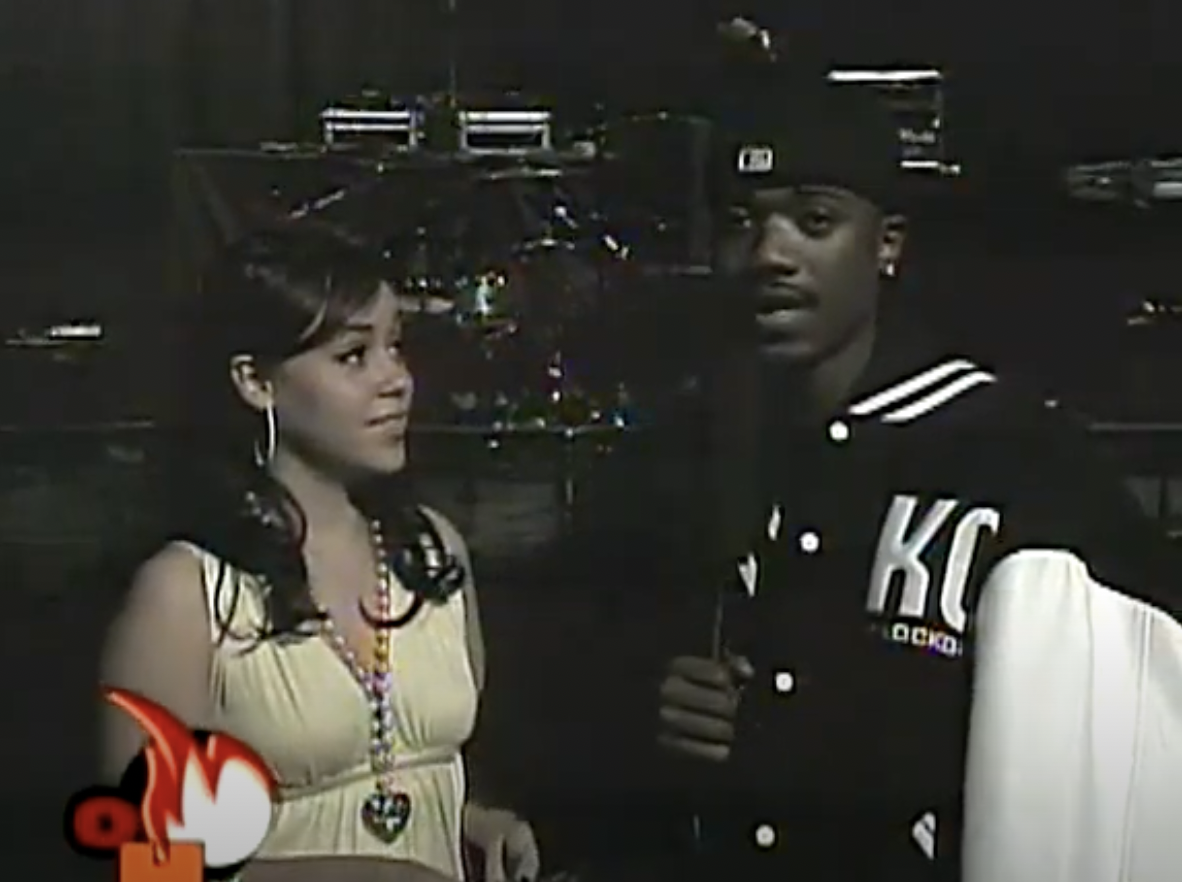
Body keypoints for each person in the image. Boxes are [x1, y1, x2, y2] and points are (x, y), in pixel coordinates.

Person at [647, 67, 1182, 882]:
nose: (770, 255)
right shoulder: (680, 453)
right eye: (740, 223)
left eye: (814, 221)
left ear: (887, 243)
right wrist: (649, 703)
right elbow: (569, 682)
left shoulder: (1016, 453)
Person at [97, 225, 541, 882]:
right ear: (256, 381)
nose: (397, 380)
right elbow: (145, 861)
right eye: (354, 355)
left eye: (396, 346)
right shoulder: (185, 594)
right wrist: (371, 878)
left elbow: (403, 773)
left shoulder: (430, 553)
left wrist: (473, 821)